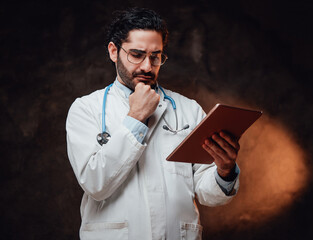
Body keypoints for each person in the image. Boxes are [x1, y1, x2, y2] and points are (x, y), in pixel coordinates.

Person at [66, 7, 240, 240]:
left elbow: (206, 192)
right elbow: (95, 184)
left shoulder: (188, 109)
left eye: (155, 56)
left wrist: (225, 171)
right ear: (113, 51)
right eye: (137, 55)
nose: (147, 67)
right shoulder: (86, 109)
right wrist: (135, 118)